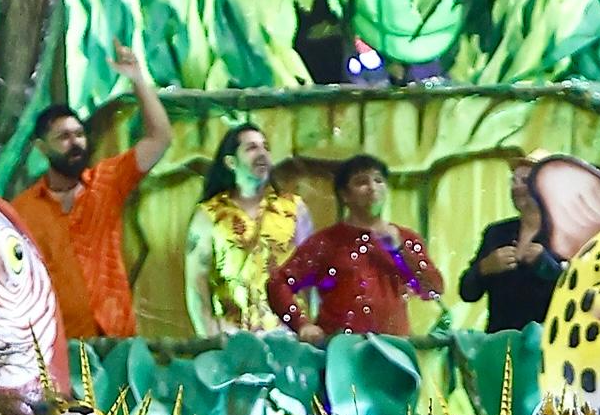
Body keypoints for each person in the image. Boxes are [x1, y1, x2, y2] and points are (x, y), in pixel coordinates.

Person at [4, 45, 173, 341]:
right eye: (64, 137)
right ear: (42, 148)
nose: (76, 143)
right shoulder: (23, 210)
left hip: (118, 340)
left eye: (79, 134)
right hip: (61, 345)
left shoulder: (107, 181)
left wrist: (137, 80)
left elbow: (160, 138)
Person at [269, 154, 446, 338]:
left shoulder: (405, 239)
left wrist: (400, 250)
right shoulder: (327, 242)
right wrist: (301, 324)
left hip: (393, 350)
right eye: (362, 182)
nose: (372, 188)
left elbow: (433, 289)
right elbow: (278, 283)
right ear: (345, 195)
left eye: (379, 181)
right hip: (339, 351)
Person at [183, 123, 305, 338]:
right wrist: (209, 336)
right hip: (233, 341)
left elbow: (313, 276)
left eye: (265, 147)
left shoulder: (295, 210)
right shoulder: (209, 215)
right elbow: (196, 284)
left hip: (289, 339)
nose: (262, 154)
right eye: (251, 148)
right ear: (231, 162)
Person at [463, 155, 570, 338]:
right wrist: (483, 268)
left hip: (550, 349)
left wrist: (546, 265)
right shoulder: (496, 233)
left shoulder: (569, 234)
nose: (515, 187)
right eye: (513, 181)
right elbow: (467, 292)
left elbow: (579, 293)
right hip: (501, 347)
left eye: (525, 181)